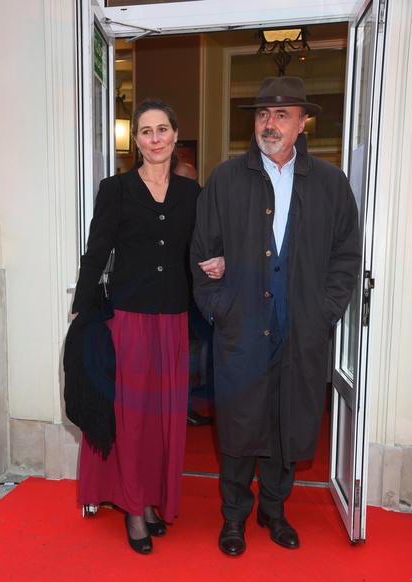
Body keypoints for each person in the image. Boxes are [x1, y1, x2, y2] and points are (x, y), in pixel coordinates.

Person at [190, 76, 361, 556]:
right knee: (240, 424)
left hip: (301, 328)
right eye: (264, 114)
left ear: (302, 123)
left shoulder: (329, 183)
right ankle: (234, 517)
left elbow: (346, 255)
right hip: (242, 328)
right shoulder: (226, 179)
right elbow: (202, 253)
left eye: (282, 115)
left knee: (289, 423)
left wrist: (325, 312)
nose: (270, 123)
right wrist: (221, 310)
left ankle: (274, 509)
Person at [68, 98, 222, 554]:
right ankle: (134, 508)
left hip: (173, 322)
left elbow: (201, 250)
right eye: (146, 131)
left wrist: (220, 262)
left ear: (175, 136)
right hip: (128, 322)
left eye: (162, 130)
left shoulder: (193, 194)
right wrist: (81, 309)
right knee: (132, 419)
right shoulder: (115, 189)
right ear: (136, 141)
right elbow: (97, 252)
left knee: (164, 420)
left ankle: (153, 500)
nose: (155, 139)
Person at [173, 159, 215, 427]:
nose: (194, 189)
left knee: (194, 346)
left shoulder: (199, 209)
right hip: (175, 295)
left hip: (193, 294)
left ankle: (182, 405)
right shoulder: (172, 210)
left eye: (195, 183)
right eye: (188, 182)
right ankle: (181, 408)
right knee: (189, 348)